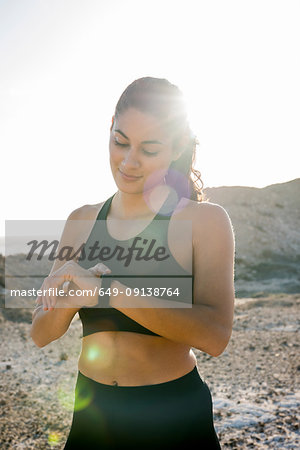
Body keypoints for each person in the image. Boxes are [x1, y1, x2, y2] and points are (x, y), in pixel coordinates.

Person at [30, 77, 235, 449]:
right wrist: (72, 297)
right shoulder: (81, 220)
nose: (128, 161)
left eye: (149, 149)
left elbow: (215, 335)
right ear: (110, 126)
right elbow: (41, 332)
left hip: (173, 414)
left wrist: (107, 291)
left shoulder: (206, 221)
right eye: (120, 141)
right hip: (93, 414)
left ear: (175, 149)